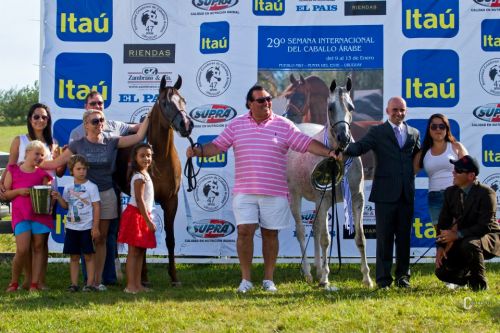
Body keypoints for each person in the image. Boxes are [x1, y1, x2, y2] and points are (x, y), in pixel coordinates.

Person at [186, 85, 336, 293]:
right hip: (245, 191)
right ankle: (246, 280)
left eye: (268, 99)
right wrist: (199, 151)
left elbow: (305, 143)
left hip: (274, 192)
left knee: (270, 235)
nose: (266, 103)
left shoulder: (284, 125)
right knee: (244, 232)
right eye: (261, 100)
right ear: (250, 104)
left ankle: (268, 280)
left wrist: (329, 152)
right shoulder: (236, 125)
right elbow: (217, 146)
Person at [41, 108, 150, 291]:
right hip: (84, 196)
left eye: (101, 120)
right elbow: (54, 164)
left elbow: (138, 137)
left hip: (107, 195)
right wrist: (26, 164)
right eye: (95, 121)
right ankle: (86, 279)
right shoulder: (77, 144)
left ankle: (96, 282)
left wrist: (150, 116)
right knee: (87, 237)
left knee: (101, 238)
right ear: (85, 125)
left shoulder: (111, 140)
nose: (99, 124)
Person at [336, 97, 420, 289]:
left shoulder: (414, 133)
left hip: (406, 194)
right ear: (387, 110)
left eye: (402, 110)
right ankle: (383, 280)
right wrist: (342, 147)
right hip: (384, 195)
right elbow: (360, 147)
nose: (399, 113)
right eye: (395, 110)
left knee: (404, 238)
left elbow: (418, 158)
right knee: (384, 238)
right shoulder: (377, 131)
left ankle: (403, 277)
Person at [69, 91, 139, 285]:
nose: (97, 106)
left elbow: (138, 129)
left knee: (108, 236)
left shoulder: (115, 126)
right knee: (88, 234)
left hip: (110, 188)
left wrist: (155, 113)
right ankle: (88, 278)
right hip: (87, 192)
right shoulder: (76, 133)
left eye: (100, 103)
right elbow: (68, 162)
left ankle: (107, 278)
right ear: (85, 106)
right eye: (93, 103)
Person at [0, 103, 64, 290]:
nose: (40, 120)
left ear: (48, 120)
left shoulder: (54, 144)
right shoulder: (19, 140)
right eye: (36, 116)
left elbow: (58, 172)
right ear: (30, 119)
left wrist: (64, 158)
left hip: (46, 197)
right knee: (25, 244)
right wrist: (2, 185)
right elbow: (10, 166)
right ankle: (27, 280)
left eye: (44, 117)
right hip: (22, 198)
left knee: (41, 242)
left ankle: (39, 281)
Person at [435, 155, 499, 291]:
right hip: (463, 237)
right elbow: (443, 223)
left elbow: (484, 226)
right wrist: (440, 246)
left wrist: (457, 235)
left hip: (488, 237)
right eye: (454, 169)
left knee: (469, 244)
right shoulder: (450, 192)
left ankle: (480, 285)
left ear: (471, 176)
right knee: (441, 272)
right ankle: (470, 279)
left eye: (458, 170)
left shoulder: (487, 193)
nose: (453, 173)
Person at [3, 140, 53, 292]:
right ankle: (13, 282)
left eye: (42, 155)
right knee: (23, 250)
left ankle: (34, 283)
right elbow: (5, 195)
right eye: (36, 154)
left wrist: (51, 197)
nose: (39, 157)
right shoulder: (13, 170)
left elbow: (47, 195)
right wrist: (19, 192)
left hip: (40, 216)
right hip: (21, 216)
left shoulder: (43, 174)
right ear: (27, 153)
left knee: (39, 247)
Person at [52, 155, 101, 292]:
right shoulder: (68, 187)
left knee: (88, 256)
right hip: (72, 227)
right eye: (78, 168)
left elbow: (97, 206)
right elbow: (66, 206)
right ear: (72, 170)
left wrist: (95, 227)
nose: (82, 171)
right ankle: (74, 284)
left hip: (87, 227)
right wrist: (59, 198)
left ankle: (90, 284)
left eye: (84, 169)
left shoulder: (92, 187)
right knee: (74, 256)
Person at [413, 114, 468, 226]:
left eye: (441, 126)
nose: (438, 129)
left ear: (447, 128)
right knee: (441, 237)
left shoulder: (456, 147)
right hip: (435, 198)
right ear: (429, 129)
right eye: (434, 127)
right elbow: (409, 174)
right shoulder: (423, 153)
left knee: (458, 233)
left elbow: (469, 170)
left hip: (456, 195)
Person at [118, 143, 156, 294]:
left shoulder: (145, 174)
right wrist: (148, 221)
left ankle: (138, 284)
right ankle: (130, 286)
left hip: (142, 214)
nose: (146, 158)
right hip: (136, 215)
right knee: (133, 252)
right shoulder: (139, 176)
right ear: (135, 158)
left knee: (140, 251)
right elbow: (139, 200)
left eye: (149, 155)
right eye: (142, 155)